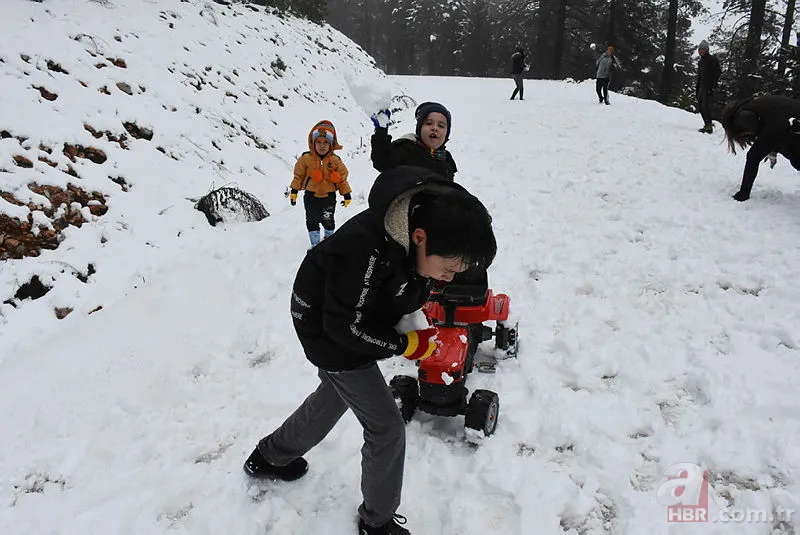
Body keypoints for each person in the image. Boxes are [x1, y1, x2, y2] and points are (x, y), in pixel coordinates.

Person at [243, 165, 497, 535]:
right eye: (448, 268)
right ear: (422, 237)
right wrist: (402, 342)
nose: (449, 278)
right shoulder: (366, 249)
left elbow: (397, 290)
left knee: (334, 394)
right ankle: (377, 522)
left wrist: (411, 325)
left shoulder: (414, 236)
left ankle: (270, 456)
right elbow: (344, 325)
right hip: (326, 327)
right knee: (386, 428)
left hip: (348, 318)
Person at [721, 95, 800, 201]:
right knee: (796, 159)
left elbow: (768, 135)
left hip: (787, 123)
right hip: (792, 120)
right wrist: (773, 151)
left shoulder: (742, 115)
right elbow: (774, 126)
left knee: (753, 156)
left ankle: (743, 194)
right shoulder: (752, 104)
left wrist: (770, 149)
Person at [289, 120, 352, 247]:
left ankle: (328, 243)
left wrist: (346, 194)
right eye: (318, 142)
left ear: (331, 144)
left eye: (325, 142)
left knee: (328, 220)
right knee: (311, 221)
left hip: (328, 197)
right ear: (313, 143)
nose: (321, 146)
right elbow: (298, 176)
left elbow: (342, 179)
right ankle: (315, 245)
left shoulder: (335, 161)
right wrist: (294, 191)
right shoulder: (306, 159)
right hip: (311, 197)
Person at [370, 102, 457, 181]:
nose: (435, 128)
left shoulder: (446, 159)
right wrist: (381, 131)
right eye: (429, 123)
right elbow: (382, 162)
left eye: (441, 126)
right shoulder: (407, 148)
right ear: (419, 129)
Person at [696, 40, 722, 133]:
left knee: (706, 106)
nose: (700, 51)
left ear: (707, 50)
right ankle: (707, 124)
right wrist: (697, 89)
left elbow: (718, 72)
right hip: (702, 87)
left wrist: (712, 84)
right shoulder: (701, 62)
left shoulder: (712, 60)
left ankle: (709, 126)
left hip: (708, 87)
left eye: (702, 49)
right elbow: (699, 76)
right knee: (701, 106)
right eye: (699, 49)